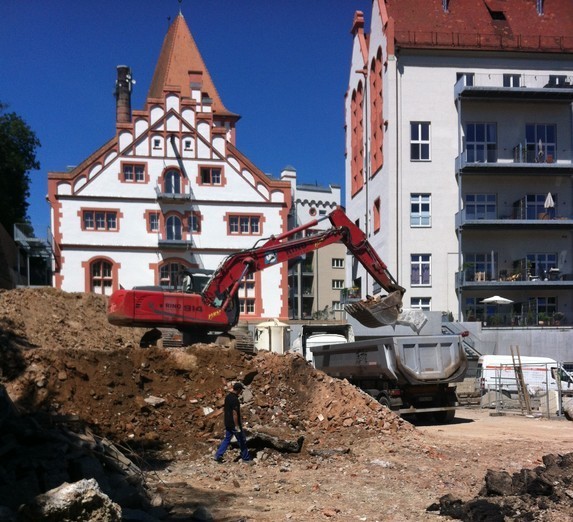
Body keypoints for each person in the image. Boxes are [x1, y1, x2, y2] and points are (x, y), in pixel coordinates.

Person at [214, 382, 252, 463]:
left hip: (227, 422)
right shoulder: (235, 400)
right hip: (234, 424)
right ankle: (246, 458)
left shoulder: (228, 397)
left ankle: (218, 455)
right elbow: (235, 414)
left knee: (227, 439)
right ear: (238, 389)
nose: (241, 392)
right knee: (241, 440)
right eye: (241, 390)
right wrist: (237, 426)